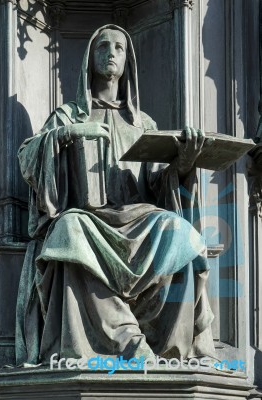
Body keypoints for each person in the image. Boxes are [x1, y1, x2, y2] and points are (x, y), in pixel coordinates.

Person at [16, 24, 215, 366]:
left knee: (181, 234)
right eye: (103, 47)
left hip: (138, 218)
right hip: (90, 218)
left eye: (119, 48)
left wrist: (183, 165)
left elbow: (158, 187)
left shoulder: (144, 124)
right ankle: (129, 343)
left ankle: (172, 351)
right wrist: (68, 133)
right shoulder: (69, 114)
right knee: (68, 231)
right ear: (89, 59)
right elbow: (26, 155)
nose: (111, 53)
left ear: (128, 62)